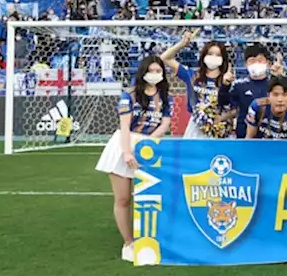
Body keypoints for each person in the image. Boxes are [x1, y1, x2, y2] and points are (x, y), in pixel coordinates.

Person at [95, 54, 172, 262]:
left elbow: (164, 124)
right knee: (123, 198)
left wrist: (146, 145)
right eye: (151, 70)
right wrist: (127, 152)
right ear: (142, 72)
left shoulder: (165, 97)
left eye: (158, 71)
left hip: (148, 148)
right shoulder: (129, 95)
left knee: (147, 197)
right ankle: (128, 242)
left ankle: (148, 237)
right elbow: (124, 125)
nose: (154, 75)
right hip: (123, 145)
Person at [160, 30, 233, 138]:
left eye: (218, 55)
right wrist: (182, 44)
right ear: (203, 56)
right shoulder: (192, 76)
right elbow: (165, 58)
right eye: (210, 54)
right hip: (196, 126)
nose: (213, 57)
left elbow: (234, 108)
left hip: (219, 127)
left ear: (223, 59)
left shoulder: (228, 80)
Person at [227, 43, 276, 138]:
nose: (256, 64)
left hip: (269, 137)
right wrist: (225, 86)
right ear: (246, 64)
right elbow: (229, 107)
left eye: (260, 60)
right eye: (252, 61)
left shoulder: (275, 86)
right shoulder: (239, 85)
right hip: (243, 137)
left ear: (268, 63)